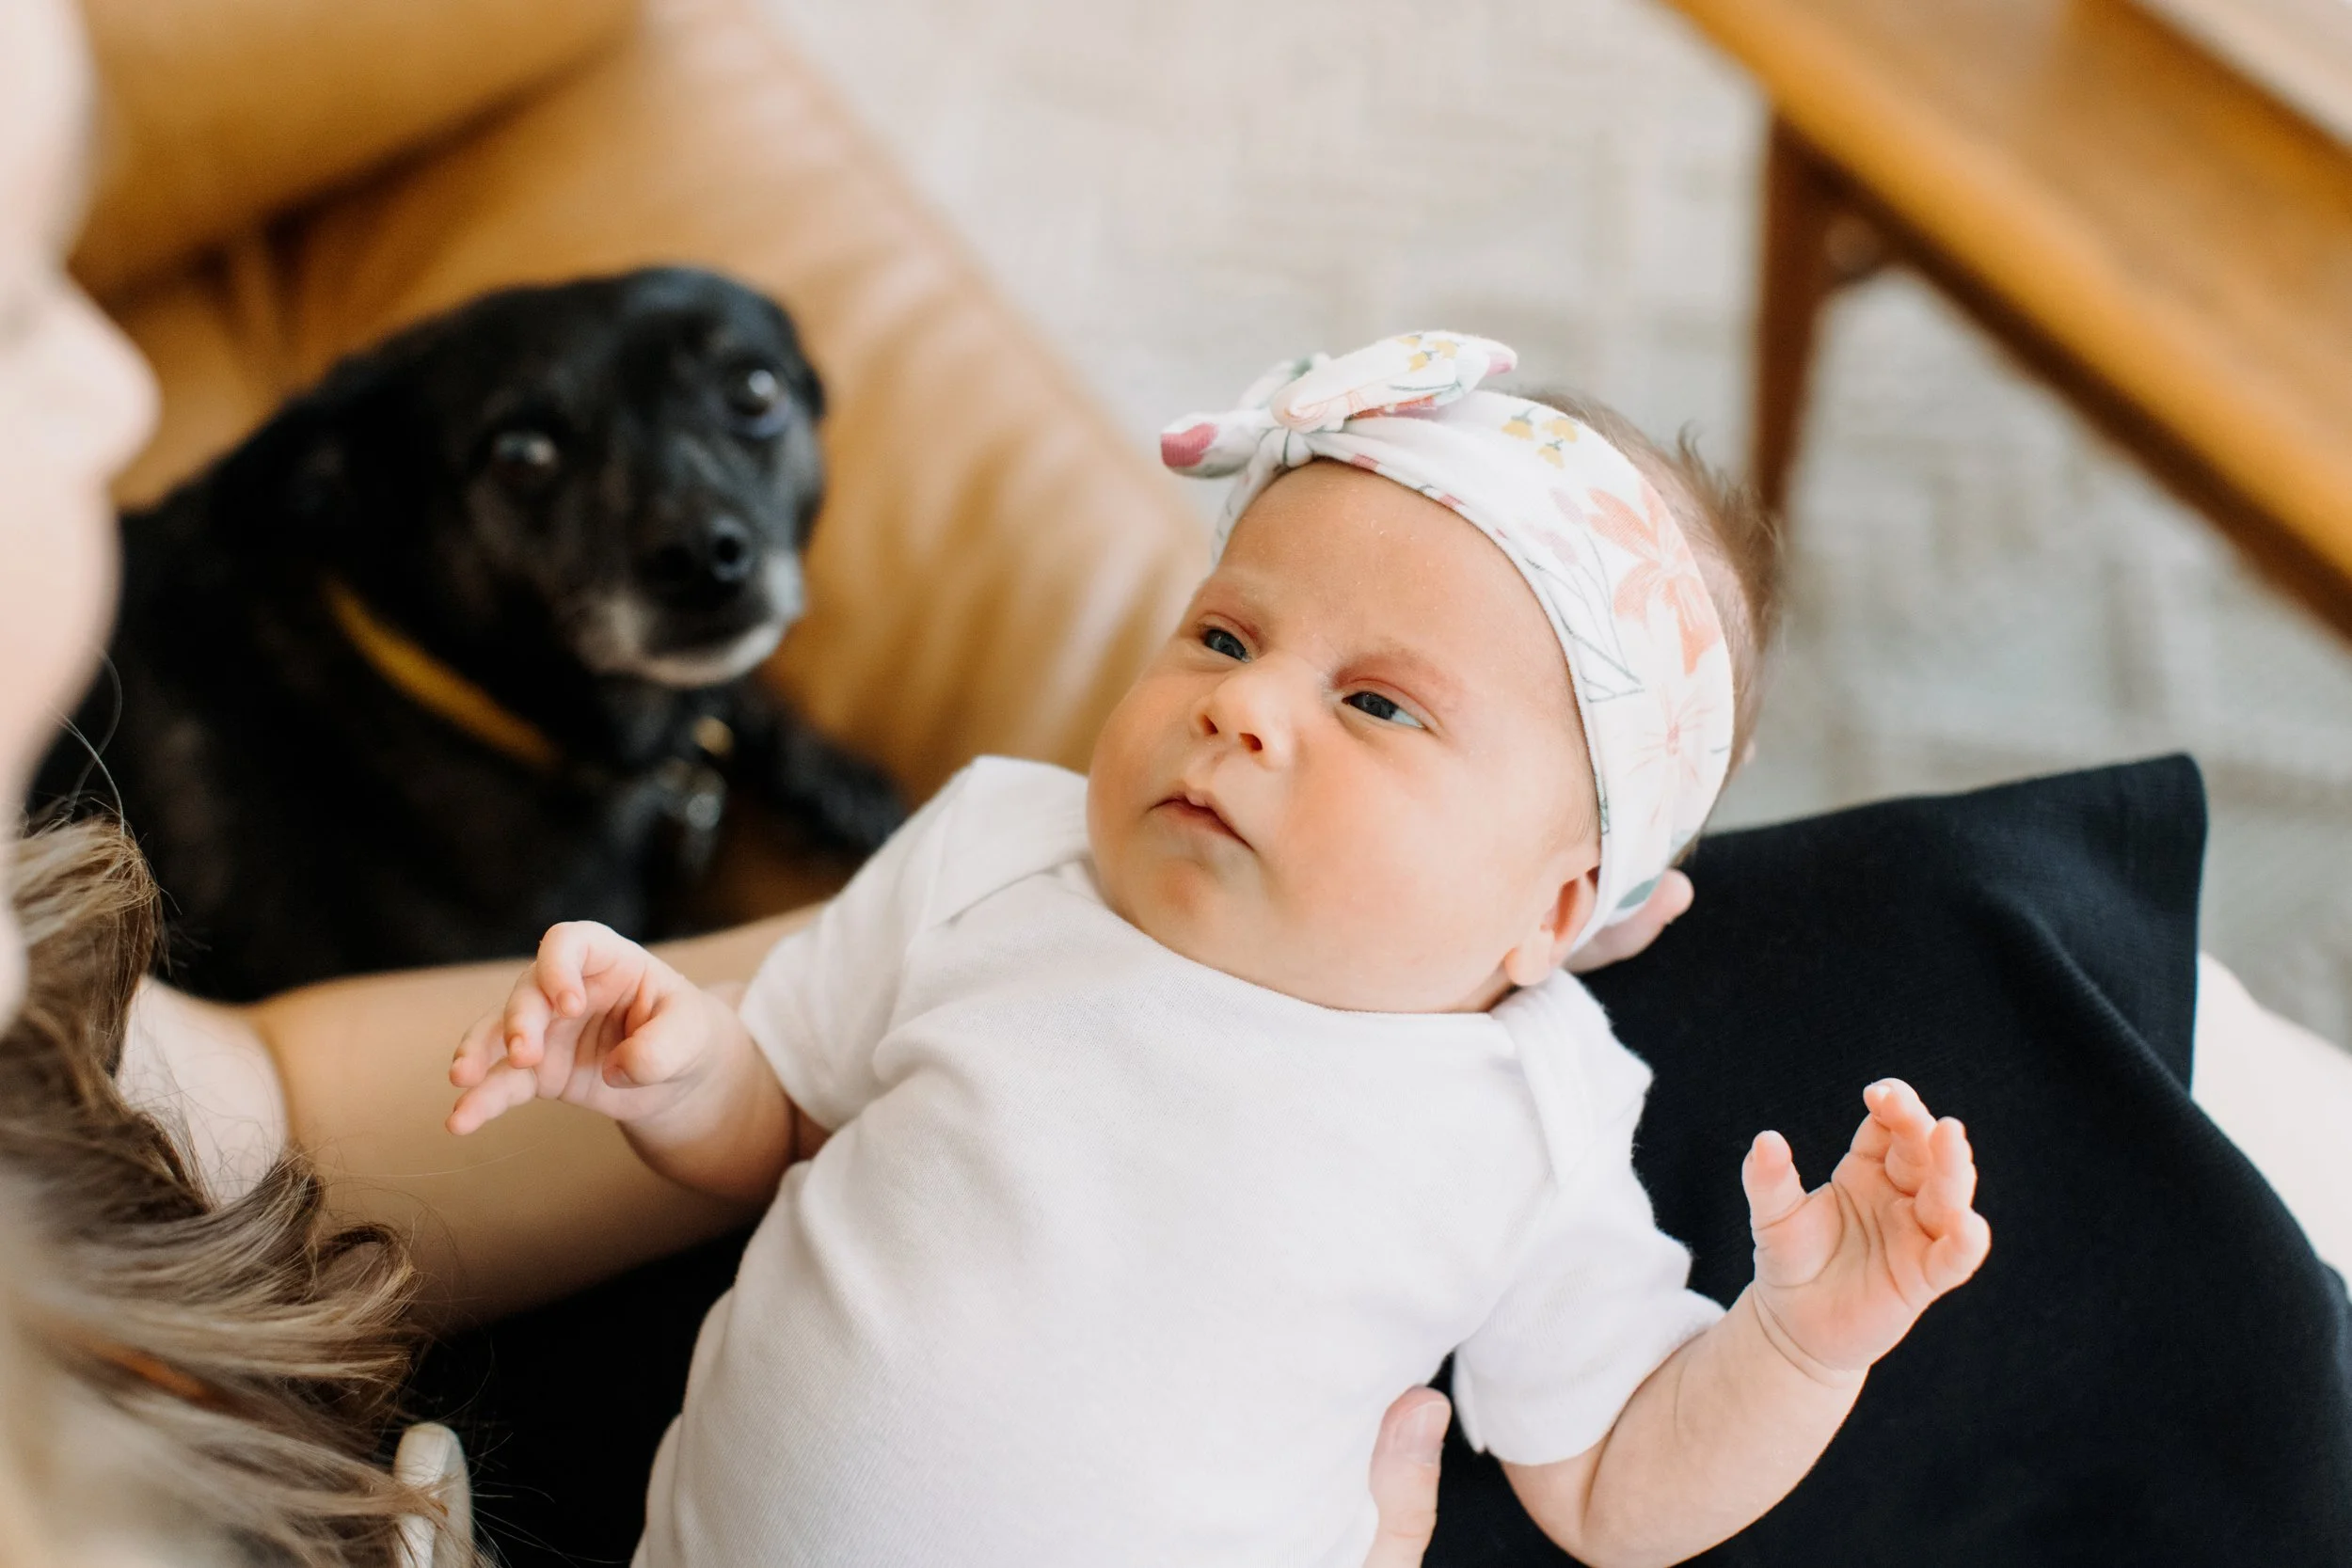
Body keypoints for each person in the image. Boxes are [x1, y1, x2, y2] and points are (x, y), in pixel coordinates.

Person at [446, 336, 1990, 1566]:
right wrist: (680, 1062)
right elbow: (780, 1115)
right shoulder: (1003, 852)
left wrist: (1799, 1345)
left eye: (1378, 704)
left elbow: (1610, 1485)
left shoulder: (1527, 1110)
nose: (1242, 707)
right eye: (1227, 635)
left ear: (1553, 909)